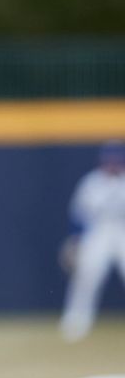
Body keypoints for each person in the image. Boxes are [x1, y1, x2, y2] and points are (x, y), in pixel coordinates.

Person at [59, 142, 125, 343]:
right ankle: (76, 321)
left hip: (121, 231)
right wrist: (76, 238)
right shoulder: (92, 182)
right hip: (98, 232)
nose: (112, 164)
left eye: (116, 160)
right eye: (110, 160)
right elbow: (79, 215)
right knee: (87, 276)